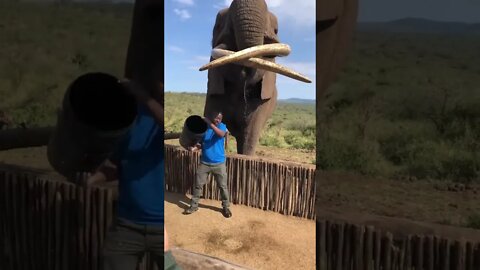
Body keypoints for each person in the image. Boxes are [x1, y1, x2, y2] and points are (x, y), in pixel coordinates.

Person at [84, 78, 165, 269]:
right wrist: (90, 180)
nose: (163, 85)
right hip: (127, 225)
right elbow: (117, 165)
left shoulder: (164, 119)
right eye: (160, 80)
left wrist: (144, 99)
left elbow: (167, 126)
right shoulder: (133, 120)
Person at [183, 112, 232, 218]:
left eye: (219, 118)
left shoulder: (222, 126)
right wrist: (194, 148)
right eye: (216, 118)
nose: (218, 120)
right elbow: (202, 144)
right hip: (205, 163)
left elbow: (221, 134)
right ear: (212, 117)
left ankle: (226, 207)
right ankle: (194, 205)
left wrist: (210, 123)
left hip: (219, 163)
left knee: (223, 186)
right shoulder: (205, 129)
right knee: (198, 185)